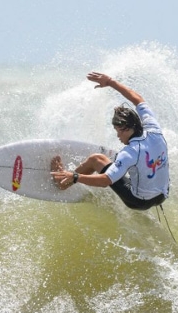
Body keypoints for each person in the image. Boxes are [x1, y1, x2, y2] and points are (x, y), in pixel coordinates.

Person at [50, 71, 169, 210]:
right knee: (124, 163)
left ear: (125, 129)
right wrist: (111, 82)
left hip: (138, 202)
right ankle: (124, 171)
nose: (118, 136)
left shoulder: (130, 152)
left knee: (97, 159)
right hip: (162, 196)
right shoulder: (154, 129)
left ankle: (63, 183)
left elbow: (105, 181)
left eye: (118, 131)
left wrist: (75, 176)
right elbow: (138, 99)